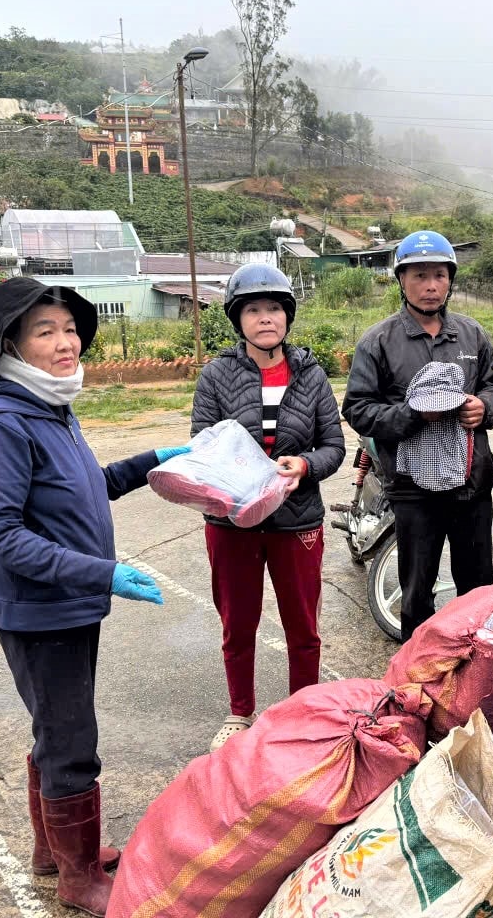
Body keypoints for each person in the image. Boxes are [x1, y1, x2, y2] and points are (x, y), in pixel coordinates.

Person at [0, 276, 190, 917]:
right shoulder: (1, 420)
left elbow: (87, 487)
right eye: (45, 332)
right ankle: (79, 876)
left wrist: (151, 461)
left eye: (69, 330)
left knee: (54, 730)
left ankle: (50, 854)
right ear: (12, 343)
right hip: (41, 609)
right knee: (70, 741)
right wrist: (102, 573)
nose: (65, 344)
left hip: (67, 603)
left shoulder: (50, 406)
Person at [191, 264, 346, 750]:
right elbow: (201, 443)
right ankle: (240, 712)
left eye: (274, 308)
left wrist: (303, 464)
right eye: (253, 310)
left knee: (302, 622)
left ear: (287, 316)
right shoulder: (216, 375)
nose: (265, 318)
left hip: (296, 520)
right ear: (238, 319)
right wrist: (235, 478)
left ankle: (304, 709)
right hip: (231, 521)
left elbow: (334, 445)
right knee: (238, 621)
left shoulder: (312, 375)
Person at [342, 230, 493, 640]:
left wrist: (485, 408)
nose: (430, 286)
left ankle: (474, 672)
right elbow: (358, 409)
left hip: (471, 484)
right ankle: (419, 674)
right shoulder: (378, 341)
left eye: (439, 275)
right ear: (401, 280)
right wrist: (412, 415)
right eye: (419, 276)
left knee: (478, 591)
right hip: (413, 490)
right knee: (416, 590)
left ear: (450, 280)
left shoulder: (472, 335)